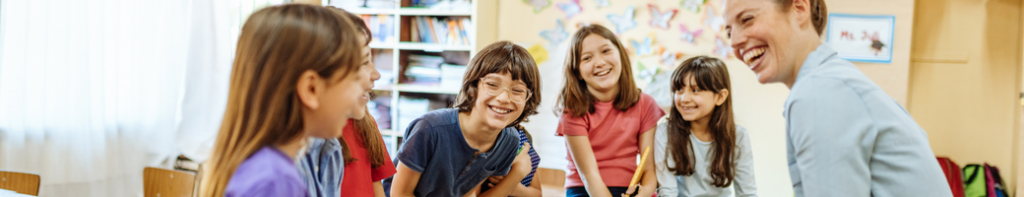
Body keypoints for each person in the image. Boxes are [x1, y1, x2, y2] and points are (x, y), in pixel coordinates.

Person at [723, 0, 952, 196]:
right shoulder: (835, 80)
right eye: (729, 31)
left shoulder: (819, 91)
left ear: (800, 8)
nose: (734, 41)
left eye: (747, 19)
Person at [198, 4, 372, 197]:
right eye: (352, 80)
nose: (358, 91)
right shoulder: (276, 182)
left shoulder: (262, 167)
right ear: (310, 89)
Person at [384, 41, 539, 197]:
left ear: (528, 98)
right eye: (492, 84)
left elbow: (468, 192)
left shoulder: (509, 141)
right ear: (473, 87)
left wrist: (517, 173)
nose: (504, 98)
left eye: (518, 90)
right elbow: (400, 193)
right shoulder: (430, 128)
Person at [556, 24, 663, 197]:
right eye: (587, 58)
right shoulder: (572, 110)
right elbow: (589, 175)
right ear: (578, 72)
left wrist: (644, 192)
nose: (599, 62)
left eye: (606, 51)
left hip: (631, 187)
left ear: (621, 54)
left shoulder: (646, 104)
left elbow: (649, 169)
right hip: (584, 188)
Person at [298, 7, 394, 197]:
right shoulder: (284, 169)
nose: (375, 75)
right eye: (364, 62)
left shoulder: (362, 125)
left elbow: (377, 188)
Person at [653, 56, 756, 197]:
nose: (684, 99)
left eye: (695, 90)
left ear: (720, 97)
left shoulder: (738, 135)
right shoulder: (666, 132)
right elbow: (667, 191)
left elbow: (747, 192)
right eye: (679, 90)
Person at [482, 125, 543, 197]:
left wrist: (521, 191)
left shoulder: (523, 136)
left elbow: (538, 193)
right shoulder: (482, 137)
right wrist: (512, 181)